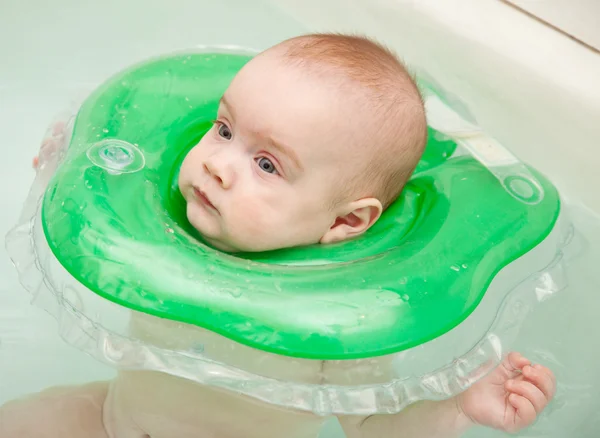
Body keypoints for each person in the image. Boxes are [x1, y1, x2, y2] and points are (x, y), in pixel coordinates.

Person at [1, 34, 555, 438]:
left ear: (344, 223)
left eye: (267, 164)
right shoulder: (169, 240)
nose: (218, 164)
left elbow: (375, 423)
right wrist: (67, 166)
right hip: (111, 421)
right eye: (223, 129)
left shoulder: (334, 316)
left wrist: (457, 405)